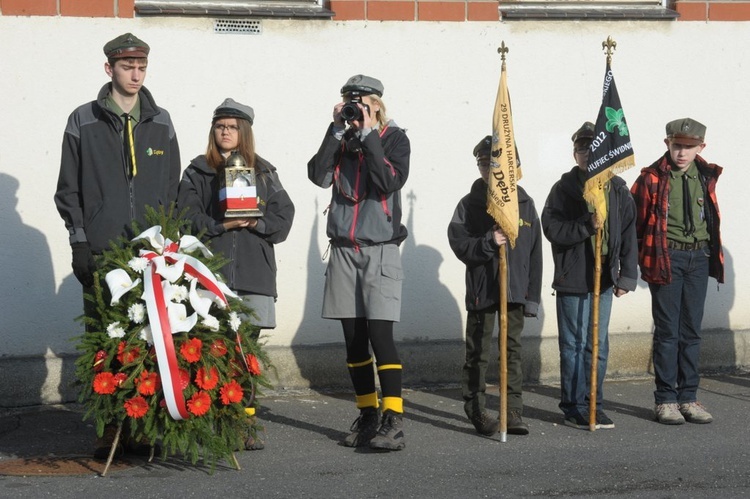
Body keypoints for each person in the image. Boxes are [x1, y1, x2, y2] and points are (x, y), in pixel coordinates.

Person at [54, 32, 181, 458]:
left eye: (142, 67)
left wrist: (170, 244)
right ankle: (108, 427)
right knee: (103, 340)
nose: (136, 74)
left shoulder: (161, 121)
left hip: (148, 254)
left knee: (147, 339)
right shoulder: (82, 120)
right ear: (109, 68)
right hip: (102, 250)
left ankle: (141, 428)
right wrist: (79, 242)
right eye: (127, 67)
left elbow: (173, 190)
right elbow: (68, 190)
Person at [177, 98, 295, 448]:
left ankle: (244, 423)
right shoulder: (197, 172)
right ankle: (211, 422)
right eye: (219, 126)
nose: (225, 131)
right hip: (212, 274)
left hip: (254, 274)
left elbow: (283, 219)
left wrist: (256, 220)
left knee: (246, 352)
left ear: (244, 132)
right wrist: (219, 224)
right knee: (213, 350)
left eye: (232, 126)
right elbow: (185, 218)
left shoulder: (264, 172)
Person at [307, 75, 410, 451]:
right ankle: (367, 414)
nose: (355, 108)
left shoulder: (394, 138)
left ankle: (393, 419)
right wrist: (335, 132)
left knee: (380, 336)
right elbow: (318, 176)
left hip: (380, 247)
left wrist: (369, 137)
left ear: (378, 105)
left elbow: (387, 183)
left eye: (362, 101)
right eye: (349, 101)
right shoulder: (341, 139)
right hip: (343, 250)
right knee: (353, 341)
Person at [541, 121, 637, 430]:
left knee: (598, 344)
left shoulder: (618, 189)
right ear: (575, 154)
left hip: (605, 277)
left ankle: (594, 402)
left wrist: (627, 276)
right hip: (574, 277)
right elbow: (552, 228)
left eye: (593, 147)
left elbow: (628, 232)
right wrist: (585, 226)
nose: (588, 153)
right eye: (582, 148)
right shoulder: (564, 189)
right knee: (573, 343)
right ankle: (573, 405)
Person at [447, 136, 542, 436]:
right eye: (485, 163)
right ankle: (476, 406)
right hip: (482, 289)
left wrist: (531, 298)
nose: (491, 169)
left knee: (511, 350)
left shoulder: (525, 204)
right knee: (478, 352)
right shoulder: (469, 204)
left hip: (514, 291)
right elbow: (460, 244)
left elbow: (535, 254)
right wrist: (489, 241)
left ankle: (512, 409)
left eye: (498, 163)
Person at [630, 118, 723, 425]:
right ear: (667, 144)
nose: (682, 153)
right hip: (666, 256)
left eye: (689, 147)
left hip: (698, 257)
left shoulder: (706, 175)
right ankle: (666, 399)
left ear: (701, 147)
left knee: (691, 332)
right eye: (677, 146)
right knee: (668, 332)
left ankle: (689, 397)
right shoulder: (652, 178)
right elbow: (636, 225)